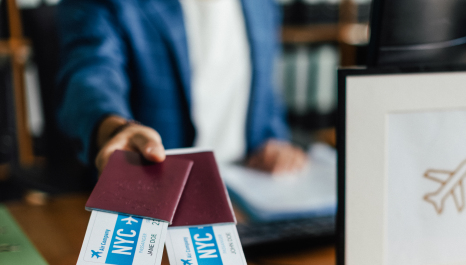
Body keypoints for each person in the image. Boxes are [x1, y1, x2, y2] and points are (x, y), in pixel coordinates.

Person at [56, 0, 306, 173]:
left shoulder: (261, 4)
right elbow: (90, 73)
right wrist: (114, 129)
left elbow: (265, 85)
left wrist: (273, 139)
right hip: (154, 194)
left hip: (248, 185)